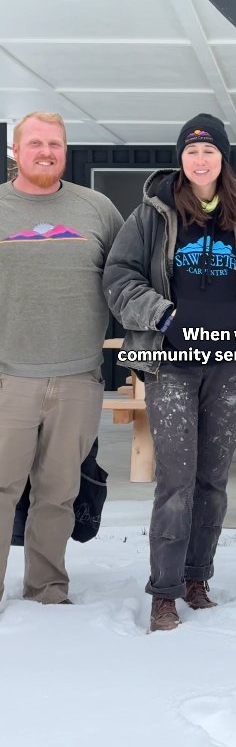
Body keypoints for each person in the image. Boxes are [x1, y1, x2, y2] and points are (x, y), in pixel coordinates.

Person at [103, 113, 236, 632]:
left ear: (222, 159)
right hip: (171, 365)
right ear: (180, 158)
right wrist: (164, 317)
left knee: (213, 480)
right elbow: (118, 279)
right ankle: (163, 592)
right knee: (176, 480)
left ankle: (196, 578)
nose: (200, 159)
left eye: (209, 151)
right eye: (191, 150)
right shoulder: (150, 217)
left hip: (228, 368)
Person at [0, 111, 123, 606]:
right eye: (35, 143)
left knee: (58, 493)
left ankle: (47, 585)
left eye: (55, 143)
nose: (45, 151)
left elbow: (126, 278)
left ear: (65, 150)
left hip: (78, 377)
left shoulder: (97, 209)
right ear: (15, 151)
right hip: (8, 376)